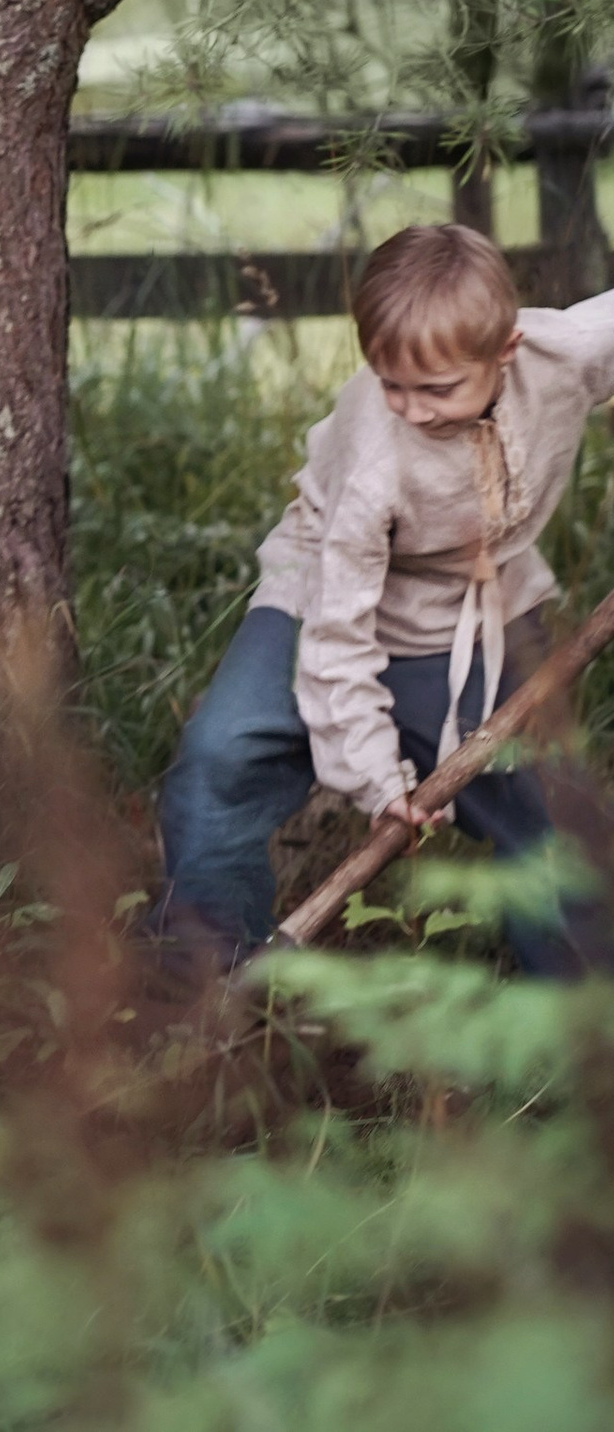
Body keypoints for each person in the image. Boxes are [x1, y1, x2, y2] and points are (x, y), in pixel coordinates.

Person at [154, 222, 609, 974]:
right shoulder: (375, 455)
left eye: (435, 389)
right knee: (222, 754)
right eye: (387, 381)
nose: (410, 408)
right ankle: (205, 981)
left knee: (549, 806)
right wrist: (379, 780)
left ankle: (583, 1011)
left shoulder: (559, 351)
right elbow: (337, 635)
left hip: (474, 607)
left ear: (507, 350)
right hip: (323, 592)